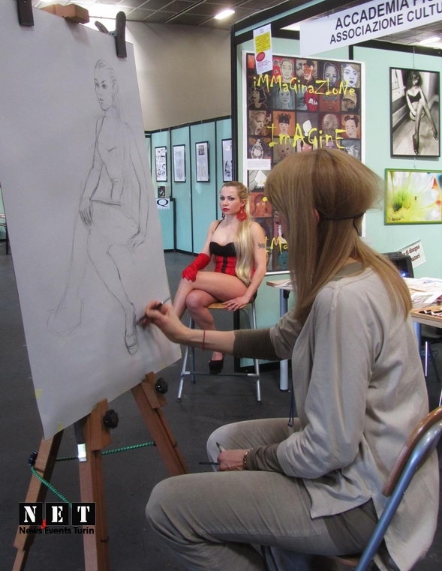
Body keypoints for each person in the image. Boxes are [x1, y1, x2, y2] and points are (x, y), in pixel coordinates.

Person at [141, 149, 438, 571]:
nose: (276, 225)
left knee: (167, 508)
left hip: (364, 496)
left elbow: (329, 448)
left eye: (281, 214)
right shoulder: (362, 270)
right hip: (373, 461)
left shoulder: (342, 300)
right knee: (223, 441)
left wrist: (255, 458)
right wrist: (187, 335)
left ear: (310, 218)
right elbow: (280, 340)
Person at [48, 59, 148, 355]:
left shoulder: (127, 131)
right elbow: (95, 167)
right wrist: (83, 198)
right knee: (83, 219)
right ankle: (78, 304)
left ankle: (77, 304)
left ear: (115, 88)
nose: (99, 92)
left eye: (104, 85)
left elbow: (142, 183)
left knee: (88, 237)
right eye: (96, 85)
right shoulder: (100, 124)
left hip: (126, 213)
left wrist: (143, 227)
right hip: (108, 207)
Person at [171, 181, 266, 373]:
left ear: (242, 202)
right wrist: (193, 266)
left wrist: (247, 296)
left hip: (240, 284)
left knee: (190, 278)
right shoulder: (215, 225)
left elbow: (262, 266)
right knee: (192, 300)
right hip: (218, 281)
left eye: (231, 198)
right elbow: (205, 255)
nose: (225, 202)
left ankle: (170, 327)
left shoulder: (253, 228)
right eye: (222, 198)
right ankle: (217, 347)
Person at [405, 70, 439, 155]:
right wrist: (414, 112)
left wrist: (422, 111)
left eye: (417, 79)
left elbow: (424, 101)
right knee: (421, 101)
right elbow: (409, 105)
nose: (416, 81)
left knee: (422, 100)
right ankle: (432, 129)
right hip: (413, 114)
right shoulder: (407, 91)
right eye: (414, 79)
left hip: (421, 111)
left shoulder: (419, 88)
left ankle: (416, 135)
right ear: (411, 79)